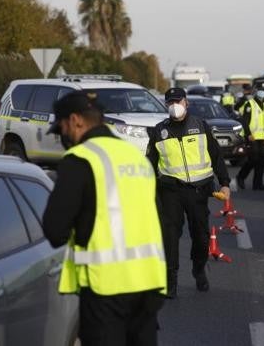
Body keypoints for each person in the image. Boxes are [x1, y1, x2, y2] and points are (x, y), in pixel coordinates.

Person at [42, 91, 167, 346]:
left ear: (75, 120)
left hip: (105, 290)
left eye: (61, 128)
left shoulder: (80, 160)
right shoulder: (136, 158)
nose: (62, 137)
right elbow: (160, 221)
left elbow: (55, 230)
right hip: (148, 285)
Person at [146, 87, 231, 299]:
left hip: (199, 191)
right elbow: (149, 165)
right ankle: (170, 280)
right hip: (170, 191)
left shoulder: (200, 126)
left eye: (178, 101)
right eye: (171, 102)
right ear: (166, 105)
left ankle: (199, 269)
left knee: (201, 237)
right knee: (170, 237)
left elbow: (216, 156)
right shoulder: (158, 131)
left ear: (186, 103)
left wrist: (225, 183)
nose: (175, 106)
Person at [235, 86, 264, 191]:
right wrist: (248, 134)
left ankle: (258, 184)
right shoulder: (250, 104)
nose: (262, 92)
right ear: (255, 92)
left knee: (262, 161)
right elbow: (244, 120)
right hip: (252, 137)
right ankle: (240, 177)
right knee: (253, 159)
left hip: (261, 137)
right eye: (260, 90)